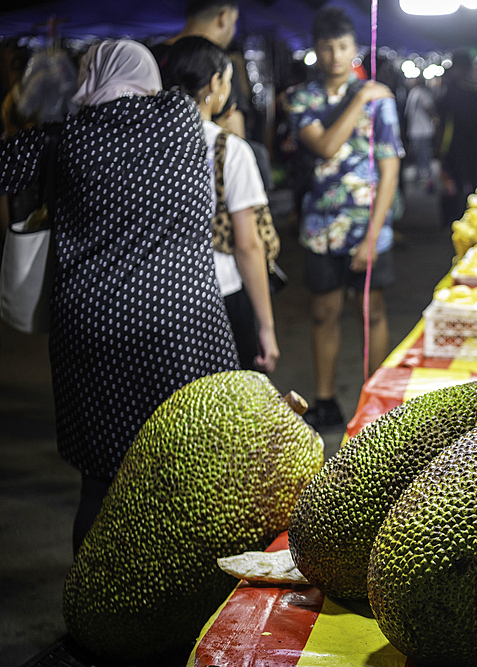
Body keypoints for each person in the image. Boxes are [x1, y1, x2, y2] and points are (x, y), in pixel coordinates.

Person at [0, 39, 240, 552]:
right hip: (183, 322)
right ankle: (188, 610)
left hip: (94, 328)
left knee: (102, 481)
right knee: (190, 470)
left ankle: (93, 614)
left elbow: (7, 167)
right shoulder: (179, 116)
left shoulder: (62, 138)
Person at [285, 7, 404, 431]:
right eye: (327, 47)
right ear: (316, 50)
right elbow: (325, 146)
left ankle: (380, 404)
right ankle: (324, 400)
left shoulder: (382, 100)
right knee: (324, 313)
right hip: (319, 228)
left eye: (343, 47)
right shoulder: (303, 98)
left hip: (368, 227)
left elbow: (390, 169)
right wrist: (359, 98)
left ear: (355, 48)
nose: (335, 55)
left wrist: (374, 234)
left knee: (370, 311)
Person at [161, 36, 279, 373]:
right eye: (227, 80)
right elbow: (248, 245)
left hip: (161, 301)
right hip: (220, 297)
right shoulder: (227, 148)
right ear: (215, 83)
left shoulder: (148, 143)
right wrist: (267, 327)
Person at [150, 0, 247, 137]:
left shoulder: (150, 56)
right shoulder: (222, 66)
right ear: (223, 17)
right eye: (234, 21)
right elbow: (235, 134)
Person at [436, 49, 477, 227]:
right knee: (472, 184)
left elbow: (442, 120)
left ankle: (457, 222)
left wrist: (439, 149)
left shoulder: (450, 90)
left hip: (455, 146)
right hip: (473, 145)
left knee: (456, 185)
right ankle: (471, 221)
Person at [404, 75, 437, 186]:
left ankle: (427, 176)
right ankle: (422, 175)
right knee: (419, 154)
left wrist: (434, 120)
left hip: (423, 130)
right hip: (416, 131)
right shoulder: (414, 92)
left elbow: (429, 108)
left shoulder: (420, 93)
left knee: (424, 154)